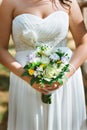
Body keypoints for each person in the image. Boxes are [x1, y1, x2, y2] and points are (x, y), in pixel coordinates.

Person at [0, 0, 87, 130]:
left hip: (65, 81)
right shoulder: (9, 3)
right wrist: (26, 77)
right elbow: (1, 48)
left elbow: (84, 44)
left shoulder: (68, 2)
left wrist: (67, 73)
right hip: (24, 80)